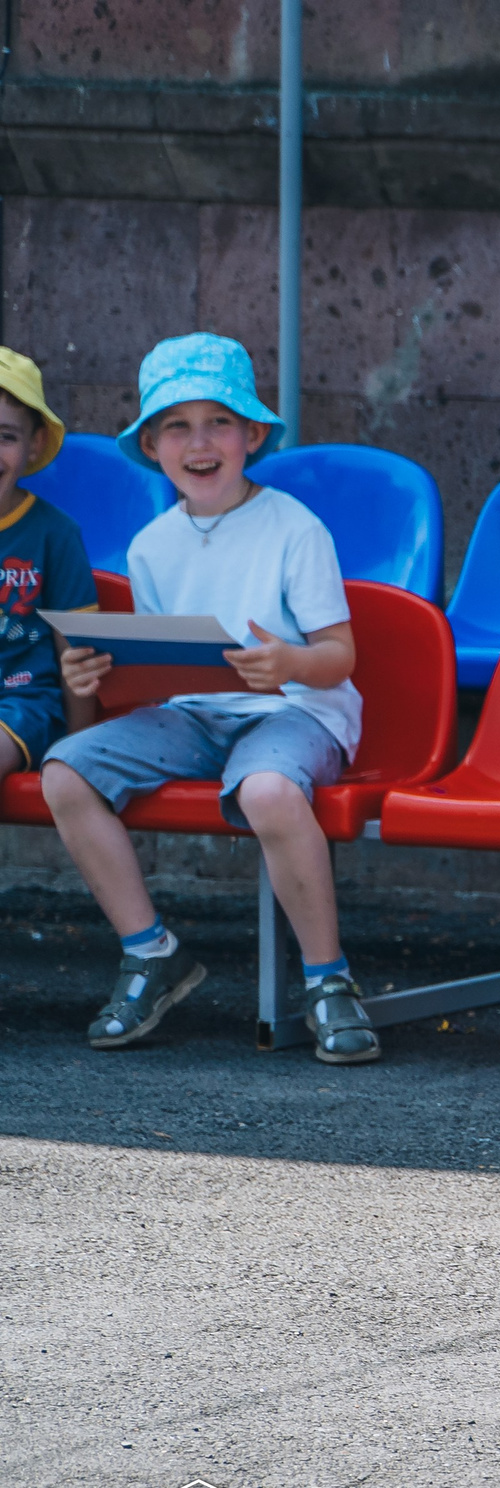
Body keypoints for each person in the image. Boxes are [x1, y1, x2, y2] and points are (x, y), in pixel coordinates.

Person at [42, 333, 379, 1063]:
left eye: (218, 422)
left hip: (297, 711)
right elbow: (166, 673)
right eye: (176, 426)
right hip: (196, 712)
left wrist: (288, 661)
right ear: (152, 447)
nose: (199, 443)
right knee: (65, 771)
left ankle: (328, 977)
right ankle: (150, 950)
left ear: (251, 435)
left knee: (267, 791)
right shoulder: (150, 545)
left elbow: (339, 657)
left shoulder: (295, 527)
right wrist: (96, 674)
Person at [0, 348, 98, 779]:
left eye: (6, 436)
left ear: (35, 443)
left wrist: (80, 753)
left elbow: (78, 653)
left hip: (22, 706)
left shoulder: (55, 534)